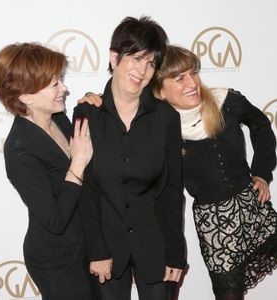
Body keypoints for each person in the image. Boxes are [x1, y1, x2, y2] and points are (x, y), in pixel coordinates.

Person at [151, 45, 277, 300]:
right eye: (179, 78)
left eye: (194, 72)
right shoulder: (159, 128)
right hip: (216, 228)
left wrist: (262, 173)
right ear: (160, 89)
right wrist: (92, 98)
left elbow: (261, 126)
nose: (192, 83)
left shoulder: (226, 101)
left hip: (254, 210)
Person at [74, 17, 186, 300]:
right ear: (114, 57)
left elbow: (173, 191)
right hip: (106, 249)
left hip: (155, 245)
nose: (143, 71)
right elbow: (86, 190)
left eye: (151, 63)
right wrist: (96, 250)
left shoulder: (166, 118)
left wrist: (175, 252)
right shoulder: (87, 114)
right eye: (136, 58)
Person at [0, 42, 94, 300]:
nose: (64, 88)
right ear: (25, 96)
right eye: (54, 85)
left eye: (60, 80)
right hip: (57, 261)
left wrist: (88, 106)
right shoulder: (19, 150)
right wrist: (78, 165)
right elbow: (55, 220)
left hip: (85, 246)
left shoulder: (58, 118)